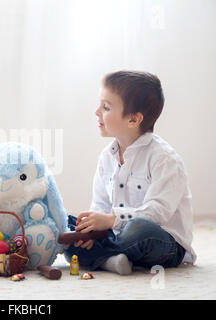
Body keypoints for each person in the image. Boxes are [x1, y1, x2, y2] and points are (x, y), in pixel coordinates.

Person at [65, 70, 196, 275]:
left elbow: (157, 213)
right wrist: (92, 230)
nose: (97, 111)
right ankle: (113, 259)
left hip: (162, 242)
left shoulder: (165, 159)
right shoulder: (107, 156)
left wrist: (111, 220)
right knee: (69, 225)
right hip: (116, 235)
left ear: (134, 119)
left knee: (137, 230)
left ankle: (102, 258)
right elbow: (100, 206)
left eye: (106, 107)